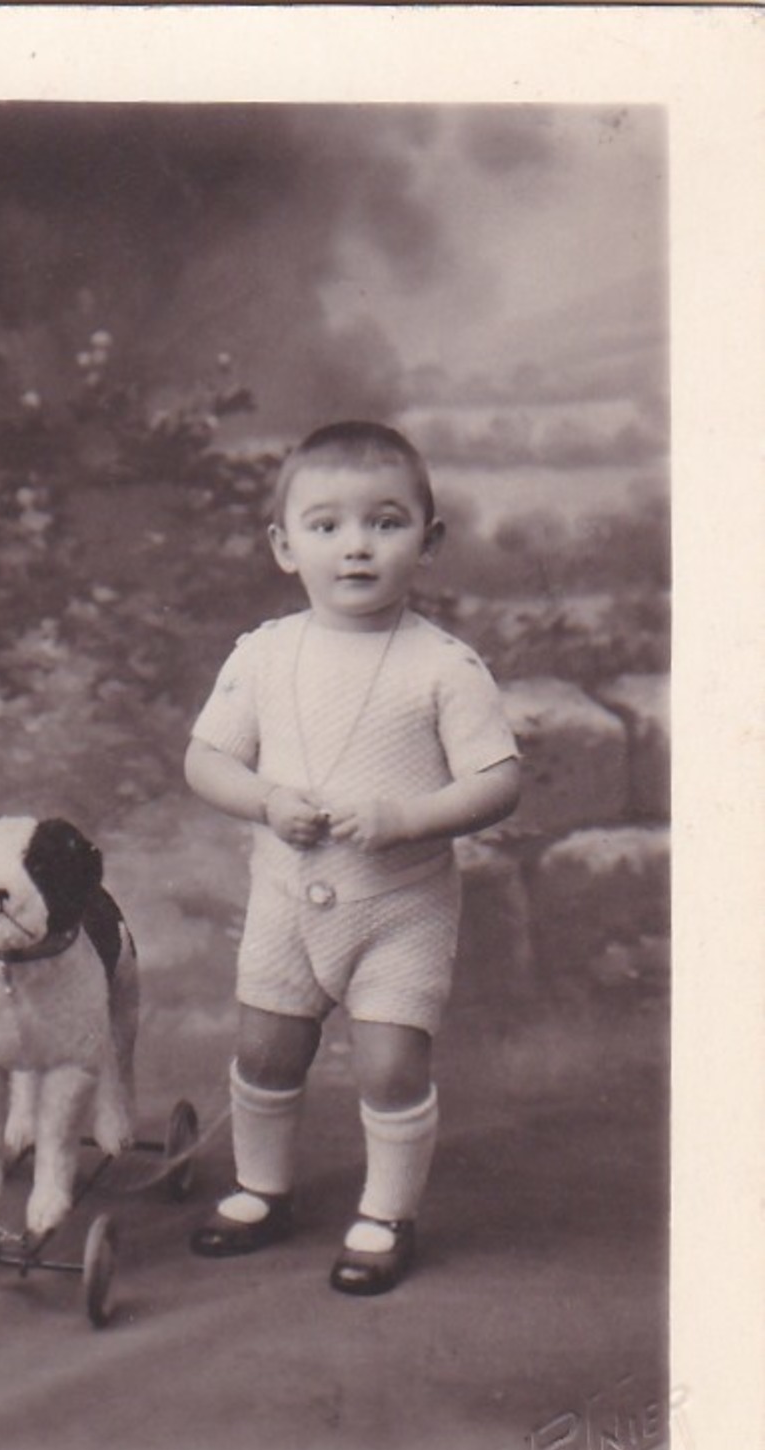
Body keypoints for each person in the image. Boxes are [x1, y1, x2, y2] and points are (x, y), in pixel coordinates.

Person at [185, 421, 521, 1295]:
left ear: (430, 541)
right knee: (265, 1050)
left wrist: (409, 815)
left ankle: (386, 1214)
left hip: (400, 908)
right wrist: (267, 800)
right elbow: (206, 759)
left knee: (389, 1063)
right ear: (284, 546)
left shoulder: (444, 666)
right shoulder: (263, 654)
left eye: (385, 522)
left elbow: (497, 782)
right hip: (287, 900)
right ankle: (263, 1187)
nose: (357, 547)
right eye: (326, 526)